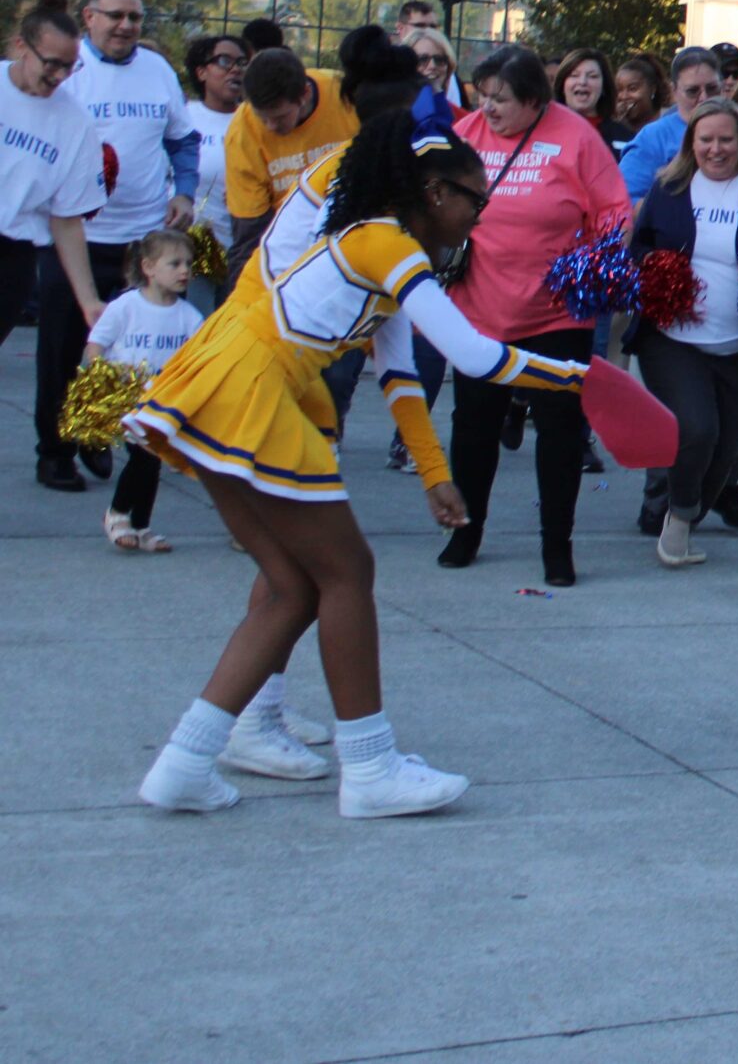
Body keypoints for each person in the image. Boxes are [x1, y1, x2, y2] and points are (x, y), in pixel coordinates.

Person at [130, 101, 590, 817]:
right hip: (253, 390)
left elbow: (399, 373)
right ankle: (370, 768)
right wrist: (582, 378)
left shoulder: (381, 244)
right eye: (476, 200)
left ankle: (184, 763)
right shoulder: (384, 242)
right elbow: (472, 354)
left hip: (229, 384)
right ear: (434, 192)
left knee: (292, 585)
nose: (480, 217)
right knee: (347, 572)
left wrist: (435, 474)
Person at [437, 46, 632, 585]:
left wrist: (597, 262)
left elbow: (614, 209)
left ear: (533, 100)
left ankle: (556, 545)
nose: (489, 108)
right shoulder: (467, 135)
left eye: (500, 99)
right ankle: (466, 531)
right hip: (480, 312)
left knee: (560, 432)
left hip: (556, 314)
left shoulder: (575, 136)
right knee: (472, 428)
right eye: (483, 96)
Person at [628, 98, 738, 567]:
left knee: (726, 452)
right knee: (697, 429)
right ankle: (678, 521)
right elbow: (638, 248)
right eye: (706, 139)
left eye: (726, 139)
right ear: (691, 143)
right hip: (674, 340)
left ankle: (688, 510)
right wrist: (657, 266)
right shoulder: (669, 189)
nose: (716, 148)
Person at [39, 0, 197, 493]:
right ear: (89, 17)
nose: (126, 26)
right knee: (65, 351)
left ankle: (97, 432)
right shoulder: (70, 72)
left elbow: (182, 140)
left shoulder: (157, 70)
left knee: (129, 352)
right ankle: (55, 452)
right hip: (76, 237)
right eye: (115, 16)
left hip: (141, 241)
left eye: (134, 17)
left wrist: (184, 192)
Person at [0, 0, 107, 370]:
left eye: (69, 65)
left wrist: (88, 301)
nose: (60, 75)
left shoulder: (74, 123)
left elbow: (67, 220)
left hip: (11, 257)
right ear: (21, 47)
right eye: (51, 63)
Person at [91, 229, 203, 552]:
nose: (184, 271)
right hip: (128, 400)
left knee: (151, 462)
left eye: (188, 264)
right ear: (149, 267)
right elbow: (96, 344)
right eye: (175, 264)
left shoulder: (190, 317)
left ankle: (141, 526)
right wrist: (101, 380)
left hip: (164, 403)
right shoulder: (125, 307)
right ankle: (117, 513)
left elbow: (198, 360)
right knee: (145, 457)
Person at [225, 46, 361, 273]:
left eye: (279, 117)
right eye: (262, 118)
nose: (270, 126)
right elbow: (249, 233)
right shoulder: (242, 132)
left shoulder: (345, 96)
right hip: (286, 245)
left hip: (352, 230)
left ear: (304, 94)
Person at [181, 35, 247, 307]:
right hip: (193, 250)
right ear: (201, 72)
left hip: (243, 250)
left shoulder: (255, 120)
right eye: (224, 61)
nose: (235, 70)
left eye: (241, 63)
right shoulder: (184, 116)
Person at [619, 47, 721, 204]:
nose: (704, 98)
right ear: (674, 91)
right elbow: (623, 201)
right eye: (693, 91)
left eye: (712, 88)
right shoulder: (654, 137)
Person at [555, 49, 635, 158]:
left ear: (604, 86)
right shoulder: (543, 130)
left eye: (592, 76)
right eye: (574, 75)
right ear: (562, 85)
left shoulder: (624, 136)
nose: (583, 82)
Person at [407, 25, 470, 112]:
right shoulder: (391, 112)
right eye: (422, 59)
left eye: (439, 59)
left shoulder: (460, 117)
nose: (432, 66)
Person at [614, 54, 668, 131]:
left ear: (652, 89)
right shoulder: (615, 126)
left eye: (632, 89)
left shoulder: (670, 120)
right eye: (619, 90)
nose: (624, 96)